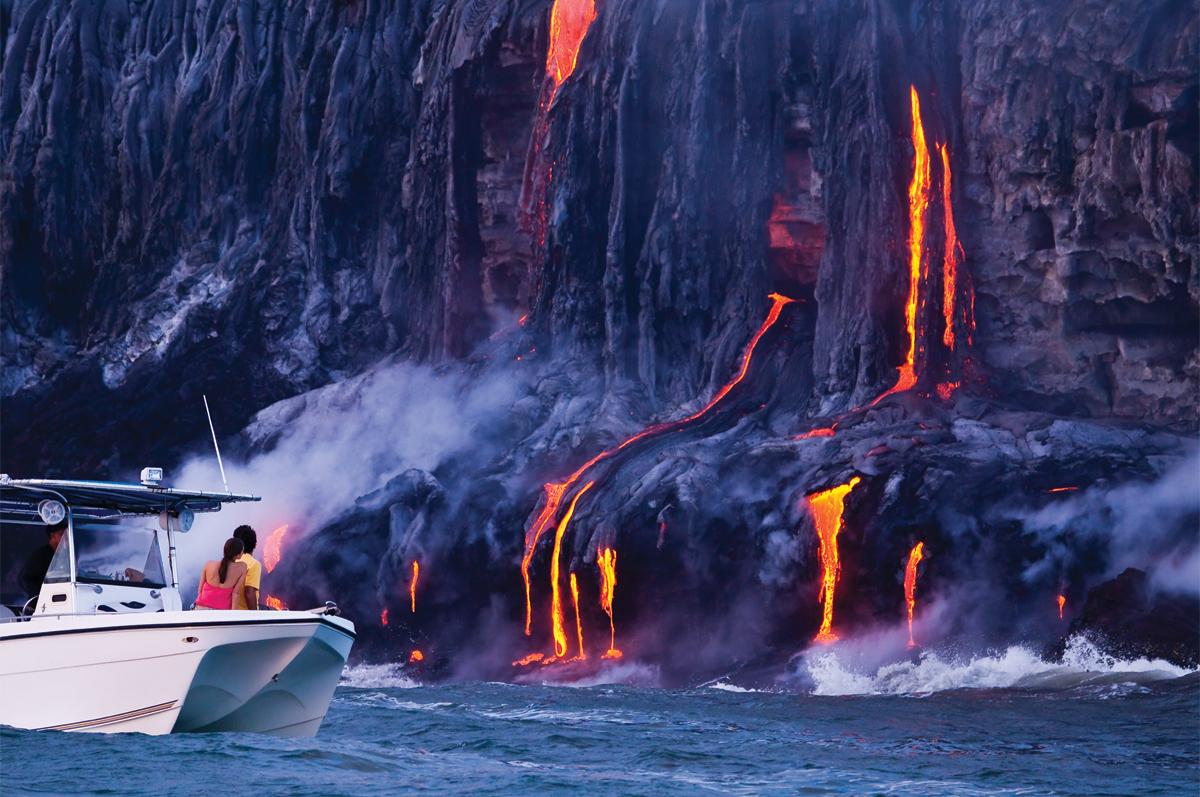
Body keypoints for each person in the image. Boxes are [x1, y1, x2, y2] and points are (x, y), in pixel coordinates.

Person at [194, 538, 248, 610]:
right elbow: (236, 594)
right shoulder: (242, 567)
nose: (243, 553)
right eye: (242, 551)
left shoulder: (208, 564)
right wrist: (234, 615)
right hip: (222, 613)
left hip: (201, 608)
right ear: (237, 555)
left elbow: (200, 589)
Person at [19, 519, 68, 596]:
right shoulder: (41, 555)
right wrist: (41, 595)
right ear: (53, 536)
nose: (66, 537)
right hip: (43, 603)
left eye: (67, 534)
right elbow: (24, 579)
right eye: (62, 534)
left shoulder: (68, 555)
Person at [231, 525, 261, 611]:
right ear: (255, 544)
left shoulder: (229, 561)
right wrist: (255, 616)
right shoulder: (254, 564)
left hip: (228, 613)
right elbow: (249, 593)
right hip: (244, 616)